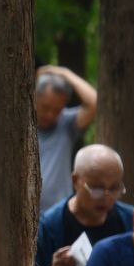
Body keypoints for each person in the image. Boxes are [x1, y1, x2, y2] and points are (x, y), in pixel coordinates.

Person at [34, 65, 98, 212]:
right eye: (46, 107)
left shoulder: (66, 124)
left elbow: (94, 102)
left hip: (58, 212)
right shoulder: (18, 126)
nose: (50, 114)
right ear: (34, 97)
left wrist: (64, 72)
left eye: (57, 109)